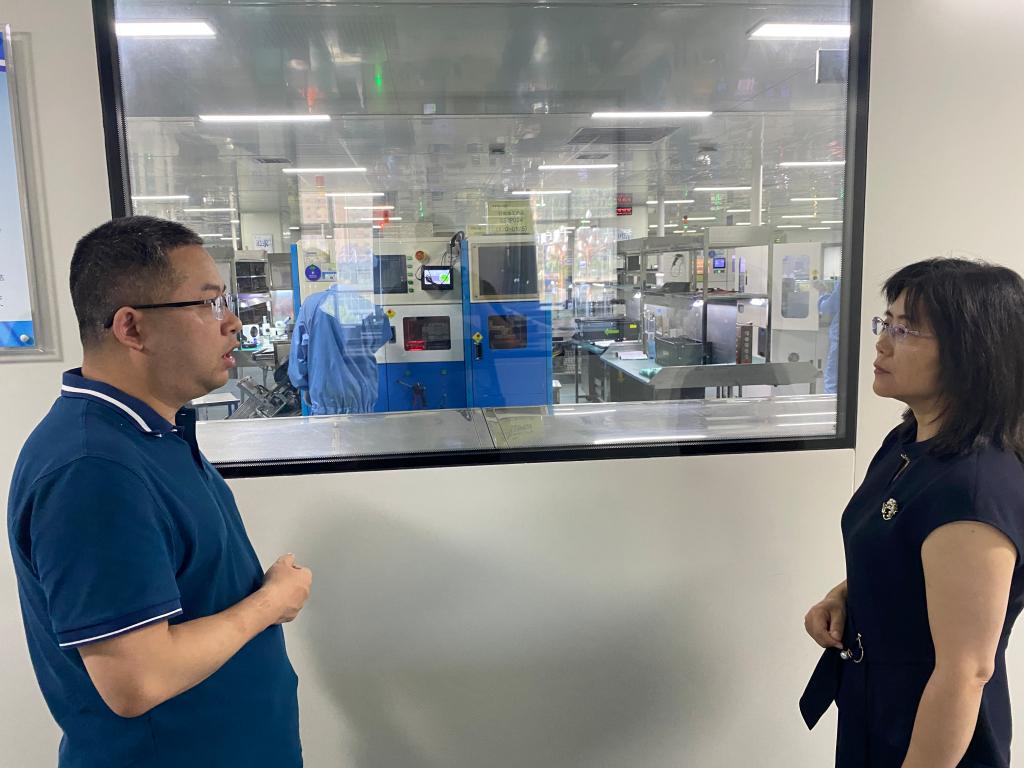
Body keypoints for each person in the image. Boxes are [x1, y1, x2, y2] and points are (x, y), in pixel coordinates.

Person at [7, 217, 313, 766]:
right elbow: (138, 680)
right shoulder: (93, 469)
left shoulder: (151, 435)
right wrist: (271, 603)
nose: (233, 324)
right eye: (209, 304)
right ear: (132, 328)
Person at [801, 258, 1024, 767]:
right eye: (886, 323)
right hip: (874, 703)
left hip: (933, 730)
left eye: (905, 330)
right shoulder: (907, 442)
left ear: (971, 352)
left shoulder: (972, 490)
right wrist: (844, 596)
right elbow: (903, 555)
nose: (882, 344)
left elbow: (966, 671)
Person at [289, 282, 391, 415]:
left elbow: (299, 355)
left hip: (324, 400)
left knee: (328, 429)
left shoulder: (311, 305)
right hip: (361, 402)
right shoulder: (368, 308)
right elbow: (380, 337)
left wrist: (305, 386)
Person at [814, 277, 841, 394]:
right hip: (854, 337)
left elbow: (829, 307)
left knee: (832, 381)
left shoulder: (845, 279)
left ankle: (831, 405)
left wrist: (822, 293)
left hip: (840, 337)